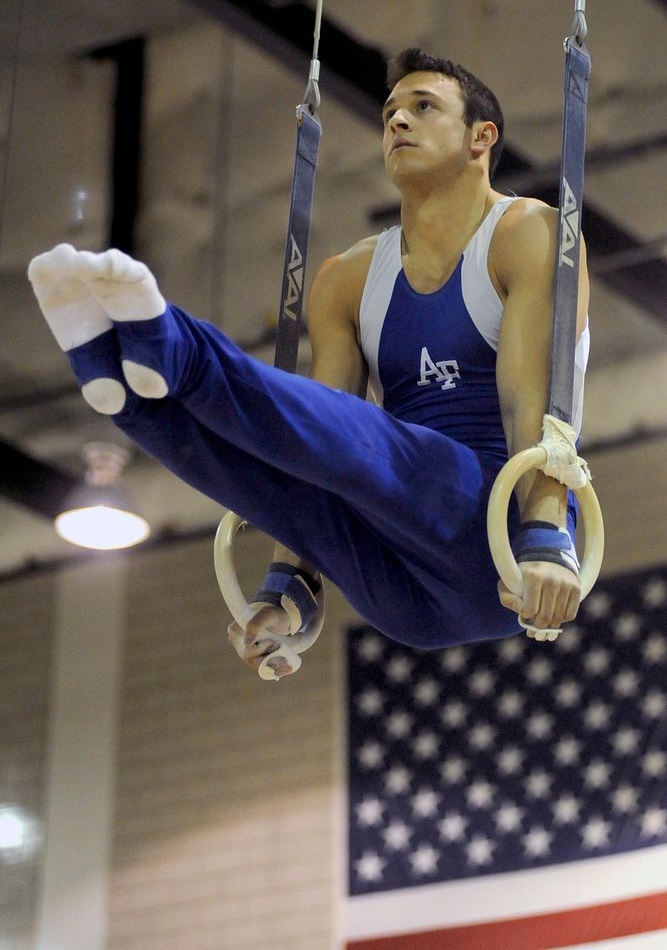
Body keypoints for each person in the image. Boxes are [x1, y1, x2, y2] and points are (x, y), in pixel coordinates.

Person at [28, 47, 589, 679]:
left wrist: (546, 539)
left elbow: (530, 409)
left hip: (494, 540)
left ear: (481, 137)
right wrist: (288, 588)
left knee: (380, 446)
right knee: (282, 467)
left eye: (423, 106)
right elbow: (316, 445)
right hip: (396, 592)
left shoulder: (525, 232)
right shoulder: (345, 280)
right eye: (390, 112)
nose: (398, 122)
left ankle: (173, 345)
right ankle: (127, 393)